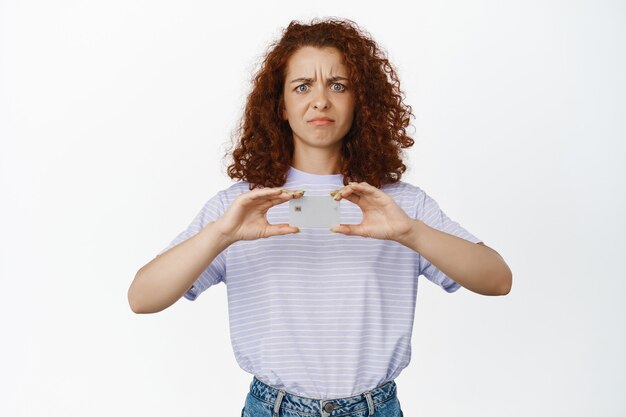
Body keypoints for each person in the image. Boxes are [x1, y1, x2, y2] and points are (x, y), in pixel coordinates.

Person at [128, 17, 512, 417]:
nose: (321, 100)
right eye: (302, 86)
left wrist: (410, 233)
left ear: (360, 100)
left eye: (338, 85)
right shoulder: (240, 206)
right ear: (281, 105)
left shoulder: (398, 205)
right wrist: (221, 235)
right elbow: (141, 298)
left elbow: (498, 279)